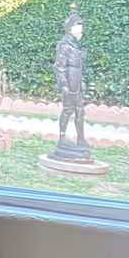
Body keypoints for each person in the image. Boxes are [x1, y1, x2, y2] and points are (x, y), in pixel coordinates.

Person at [54, 12, 89, 153]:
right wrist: (64, 84)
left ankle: (81, 138)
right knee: (68, 110)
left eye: (81, 27)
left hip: (77, 83)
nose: (80, 30)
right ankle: (62, 138)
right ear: (70, 28)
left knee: (80, 111)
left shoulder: (74, 44)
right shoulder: (64, 45)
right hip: (69, 83)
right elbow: (59, 66)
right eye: (77, 27)